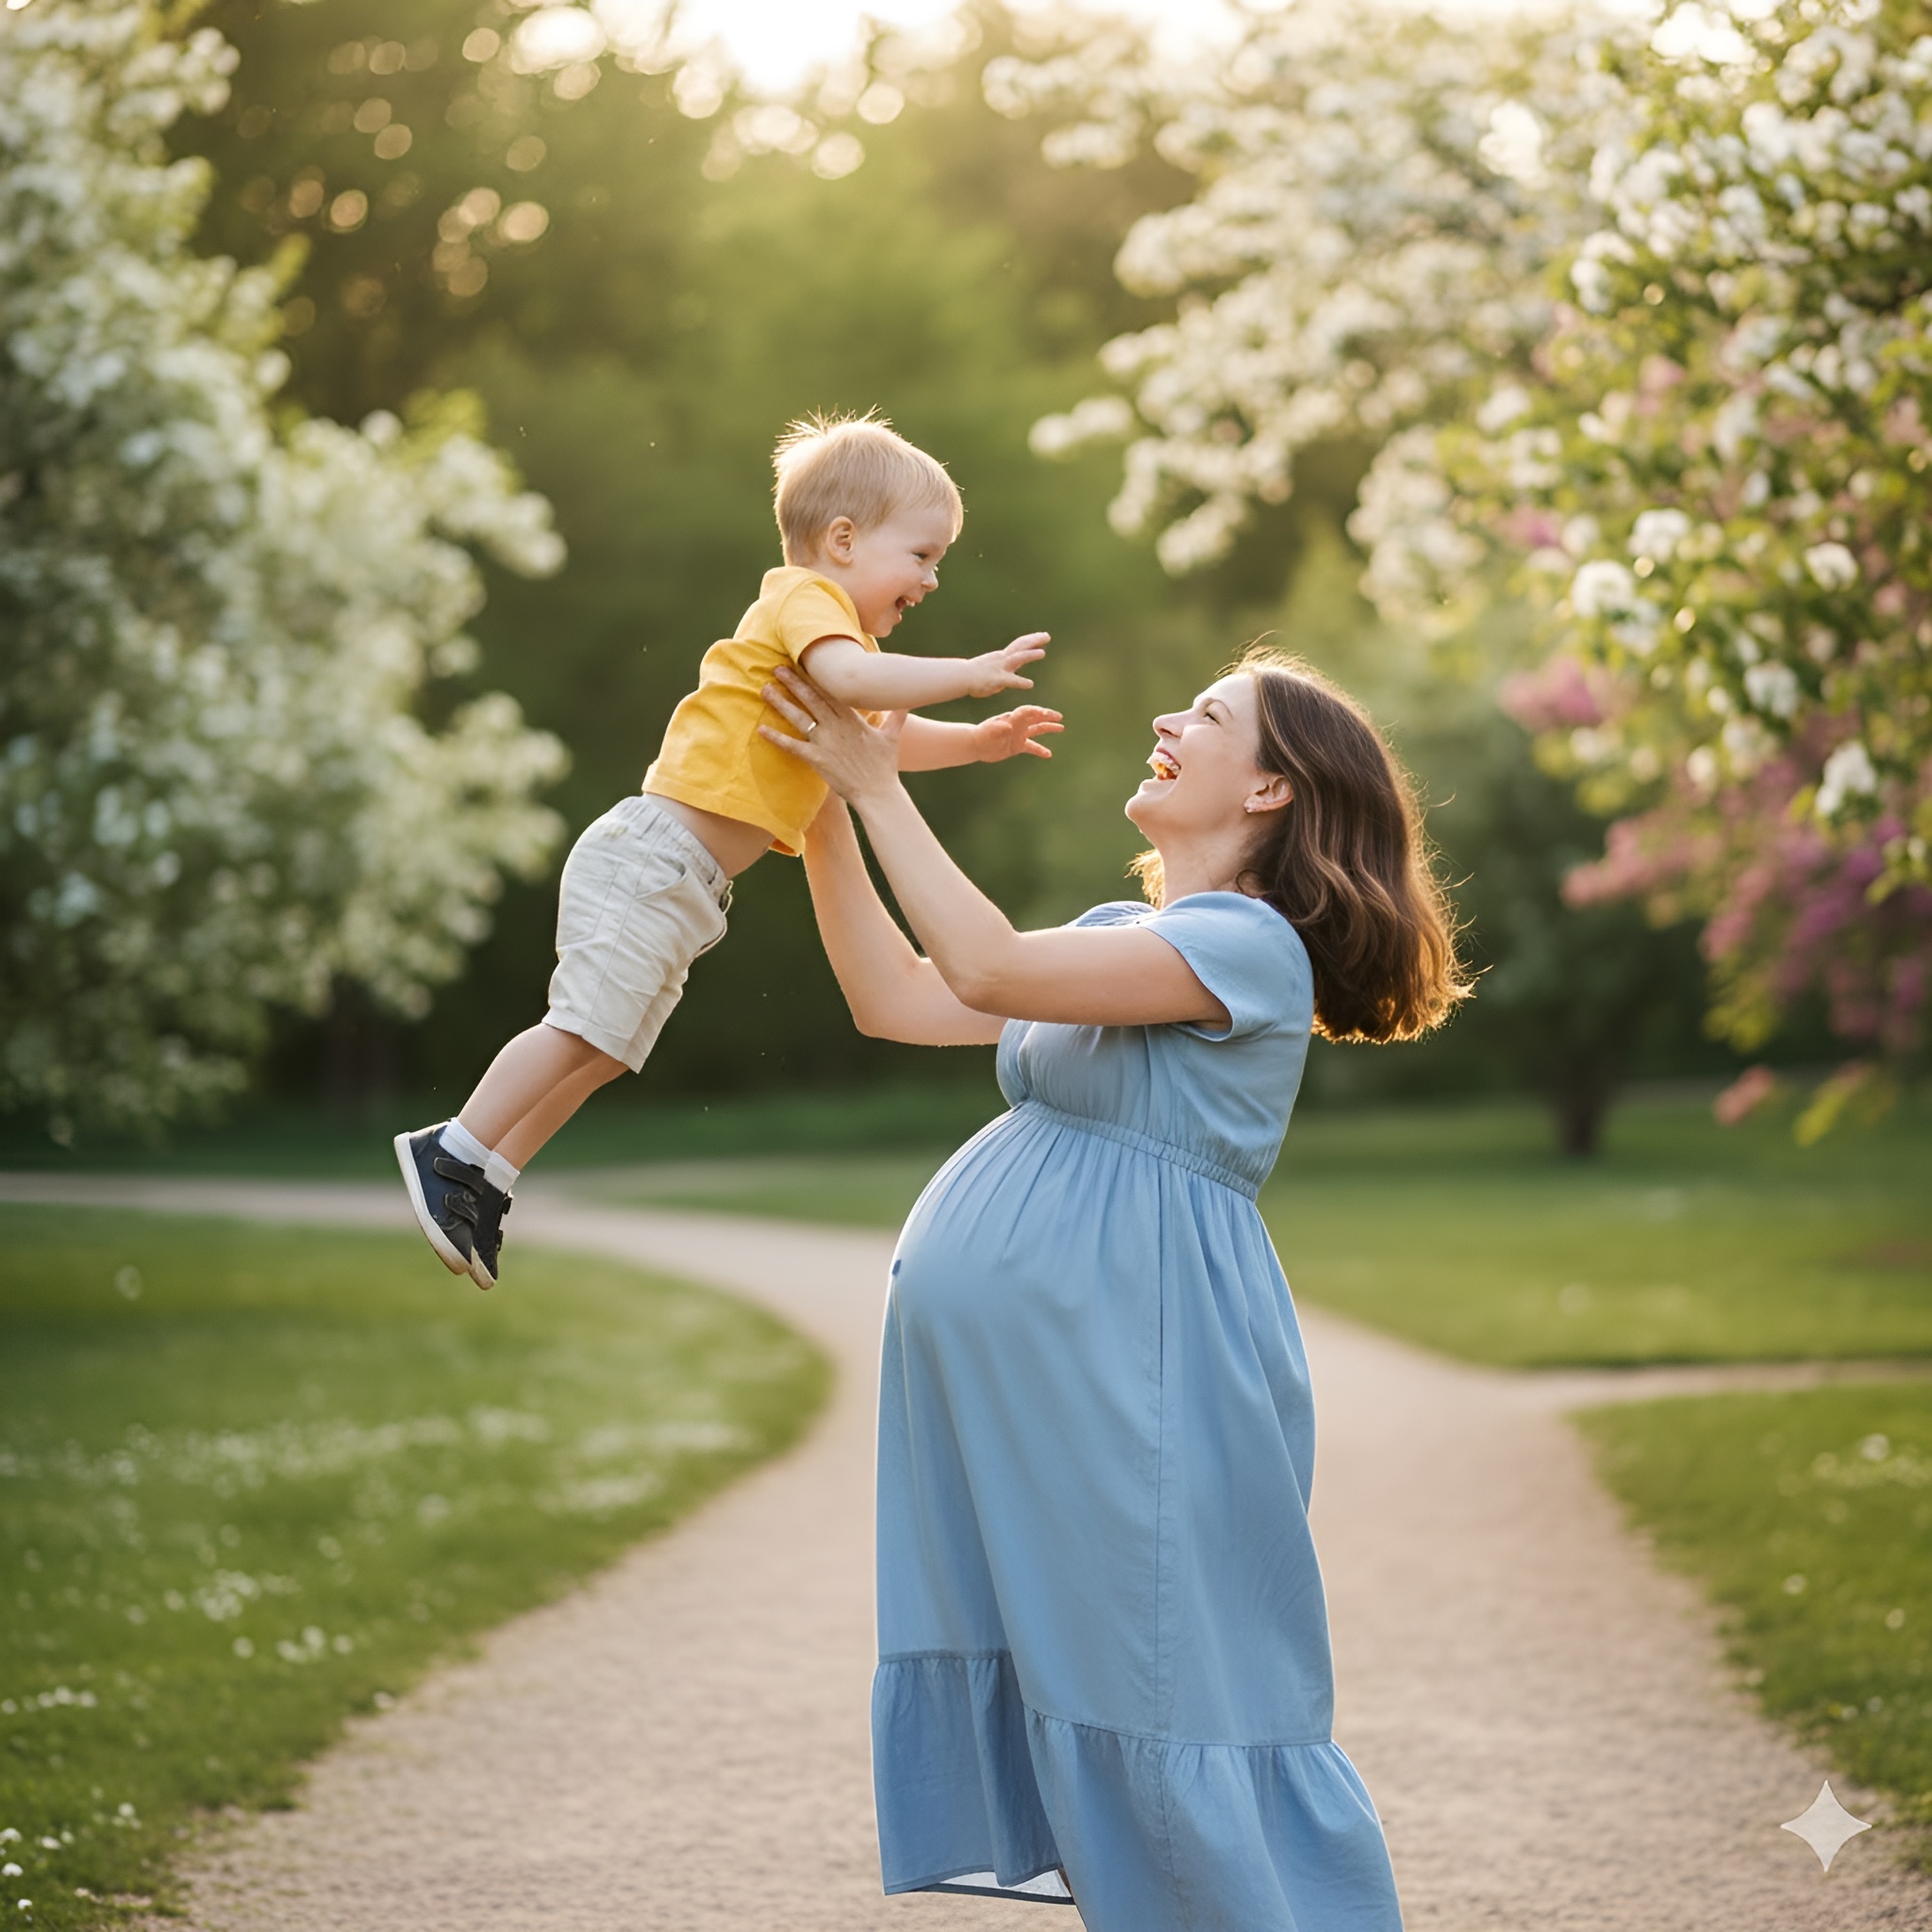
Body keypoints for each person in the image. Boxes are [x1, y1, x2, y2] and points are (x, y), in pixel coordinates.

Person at [759, 646, 1468, 1931]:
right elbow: (896, 1000)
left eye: (1206, 715)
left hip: (1142, 1358)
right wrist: (819, 816)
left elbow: (977, 968)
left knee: (1159, 1676)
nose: (1165, 718)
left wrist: (878, 785)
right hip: (1056, 1383)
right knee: (1096, 1673)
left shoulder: (1248, 945)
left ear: (1269, 791)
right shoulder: (1117, 937)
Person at [394, 413, 1062, 1288]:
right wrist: (968, 671)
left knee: (609, 1048)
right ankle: (454, 1147)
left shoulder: (838, 647)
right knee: (582, 1026)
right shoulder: (805, 603)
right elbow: (861, 689)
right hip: (653, 855)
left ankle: (487, 1180)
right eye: (923, 556)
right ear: (843, 540)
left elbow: (871, 742)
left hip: (689, 882)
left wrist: (974, 740)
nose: (931, 580)